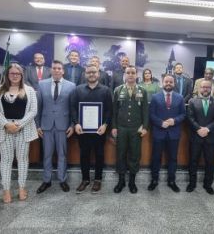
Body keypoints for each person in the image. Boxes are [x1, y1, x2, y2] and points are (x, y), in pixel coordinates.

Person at [0, 63, 38, 203]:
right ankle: (6, 191)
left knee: (22, 160)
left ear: (22, 75)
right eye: (12, 73)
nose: (15, 76)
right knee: (6, 160)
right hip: (4, 129)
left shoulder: (29, 90)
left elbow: (33, 110)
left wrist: (19, 124)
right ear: (7, 75)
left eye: (18, 73)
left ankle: (22, 188)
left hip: (23, 129)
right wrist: (6, 124)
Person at [71, 64, 113, 193]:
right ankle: (85, 179)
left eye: (94, 72)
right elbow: (73, 108)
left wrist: (105, 125)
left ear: (98, 74)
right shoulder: (78, 90)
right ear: (85, 74)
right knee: (84, 155)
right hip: (82, 130)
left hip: (99, 130)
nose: (91, 74)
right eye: (89, 72)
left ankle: (98, 180)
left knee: (99, 155)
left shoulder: (105, 90)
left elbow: (109, 110)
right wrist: (76, 123)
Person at [36, 60, 76, 193]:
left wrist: (72, 124)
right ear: (50, 70)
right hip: (46, 126)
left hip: (63, 126)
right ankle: (46, 180)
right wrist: (38, 125)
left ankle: (62, 179)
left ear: (63, 71)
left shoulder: (71, 86)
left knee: (62, 155)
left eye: (59, 68)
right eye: (54, 68)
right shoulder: (41, 84)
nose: (57, 70)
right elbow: (38, 106)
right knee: (47, 154)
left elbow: (72, 108)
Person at [112, 65, 148, 194]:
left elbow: (145, 111)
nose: (131, 75)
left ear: (136, 75)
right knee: (120, 154)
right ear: (125, 75)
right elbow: (114, 111)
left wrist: (145, 126)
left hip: (136, 129)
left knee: (134, 154)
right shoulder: (118, 90)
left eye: (133, 72)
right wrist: (114, 127)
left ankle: (132, 181)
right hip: (121, 128)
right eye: (128, 73)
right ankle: (121, 181)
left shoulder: (142, 90)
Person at [148, 74, 185, 192]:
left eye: (171, 82)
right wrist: (160, 123)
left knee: (173, 158)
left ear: (174, 84)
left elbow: (183, 114)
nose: (168, 84)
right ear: (162, 83)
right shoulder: (155, 97)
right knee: (156, 158)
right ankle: (154, 180)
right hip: (159, 132)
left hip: (174, 133)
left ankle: (171, 181)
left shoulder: (180, 98)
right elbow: (151, 114)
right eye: (166, 82)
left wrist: (174, 120)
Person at [186, 79, 214, 195]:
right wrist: (199, 129)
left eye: (207, 87)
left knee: (210, 162)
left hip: (210, 138)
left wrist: (207, 129)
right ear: (199, 88)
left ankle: (208, 185)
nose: (205, 89)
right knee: (193, 161)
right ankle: (192, 184)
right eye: (203, 87)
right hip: (195, 137)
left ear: (210, 88)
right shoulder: (192, 101)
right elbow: (190, 118)